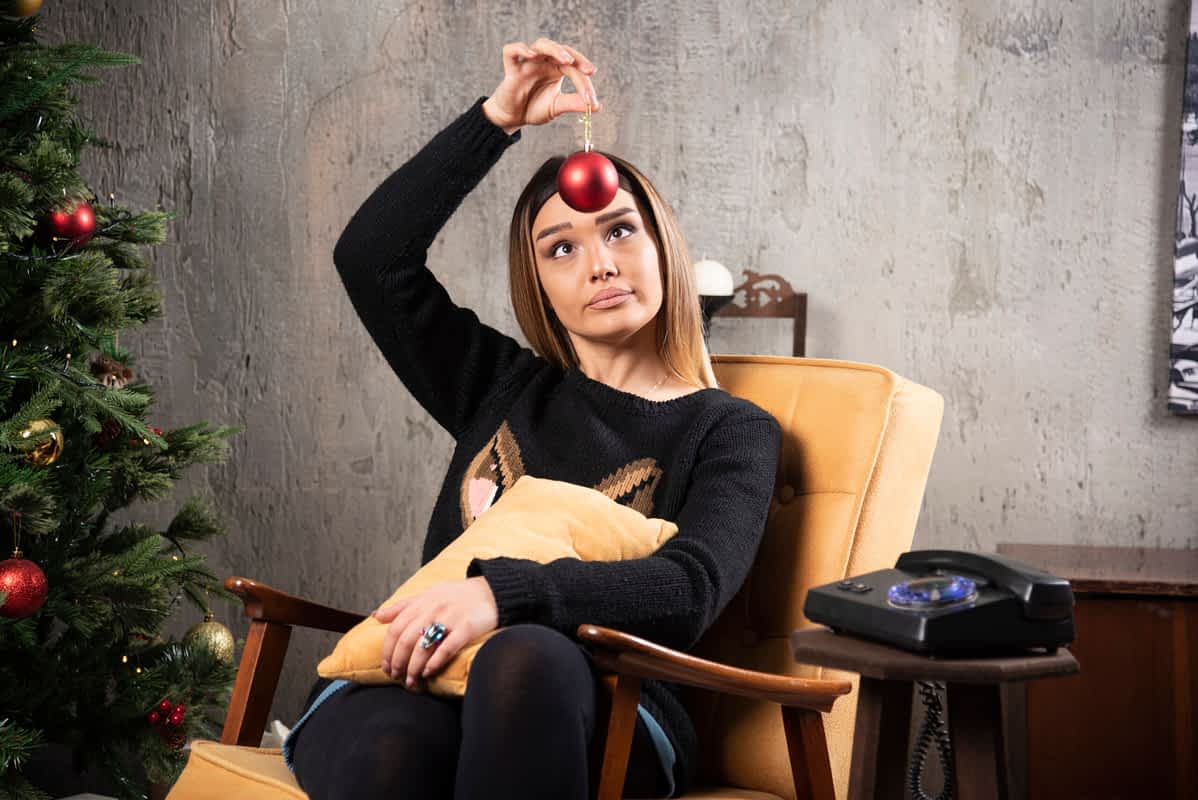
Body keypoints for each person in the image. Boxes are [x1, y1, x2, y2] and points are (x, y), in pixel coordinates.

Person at [285, 37, 782, 800]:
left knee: (525, 658)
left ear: (663, 248)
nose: (601, 264)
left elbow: (689, 589)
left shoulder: (727, 430)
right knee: (392, 754)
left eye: (620, 230)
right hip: (426, 676)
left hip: (608, 704)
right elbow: (372, 259)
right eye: (561, 248)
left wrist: (500, 595)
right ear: (539, 285)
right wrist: (497, 117)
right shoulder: (498, 386)